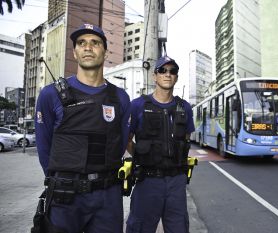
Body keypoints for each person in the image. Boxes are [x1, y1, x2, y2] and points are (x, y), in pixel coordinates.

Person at [35, 24, 130, 233]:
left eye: (95, 43)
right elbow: (44, 148)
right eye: (81, 43)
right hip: (65, 198)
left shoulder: (121, 98)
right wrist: (64, 180)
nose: (88, 47)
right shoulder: (50, 95)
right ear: (75, 53)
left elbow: (119, 143)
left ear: (105, 52)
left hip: (108, 198)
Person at [126, 55, 195, 233]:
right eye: (162, 70)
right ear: (154, 76)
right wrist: (143, 156)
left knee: (179, 228)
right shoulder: (137, 105)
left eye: (172, 71)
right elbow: (127, 139)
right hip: (147, 180)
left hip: (176, 182)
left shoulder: (184, 107)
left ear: (176, 77)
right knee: (140, 228)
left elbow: (186, 138)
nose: (167, 74)